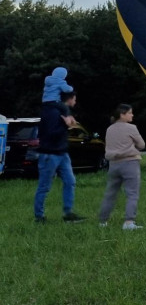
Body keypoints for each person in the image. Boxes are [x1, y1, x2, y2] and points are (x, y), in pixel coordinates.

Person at [33, 91, 85, 223]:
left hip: (62, 153)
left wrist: (68, 125)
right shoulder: (52, 113)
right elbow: (50, 134)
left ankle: (68, 214)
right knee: (44, 186)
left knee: (70, 181)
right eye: (75, 99)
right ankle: (39, 216)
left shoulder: (62, 112)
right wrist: (66, 126)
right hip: (49, 154)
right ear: (70, 99)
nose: (75, 102)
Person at [98, 104, 146, 230]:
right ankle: (129, 222)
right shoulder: (131, 128)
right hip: (130, 163)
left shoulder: (110, 129)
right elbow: (141, 145)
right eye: (130, 113)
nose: (132, 115)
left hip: (113, 164)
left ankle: (103, 221)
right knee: (132, 193)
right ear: (122, 114)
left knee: (110, 193)